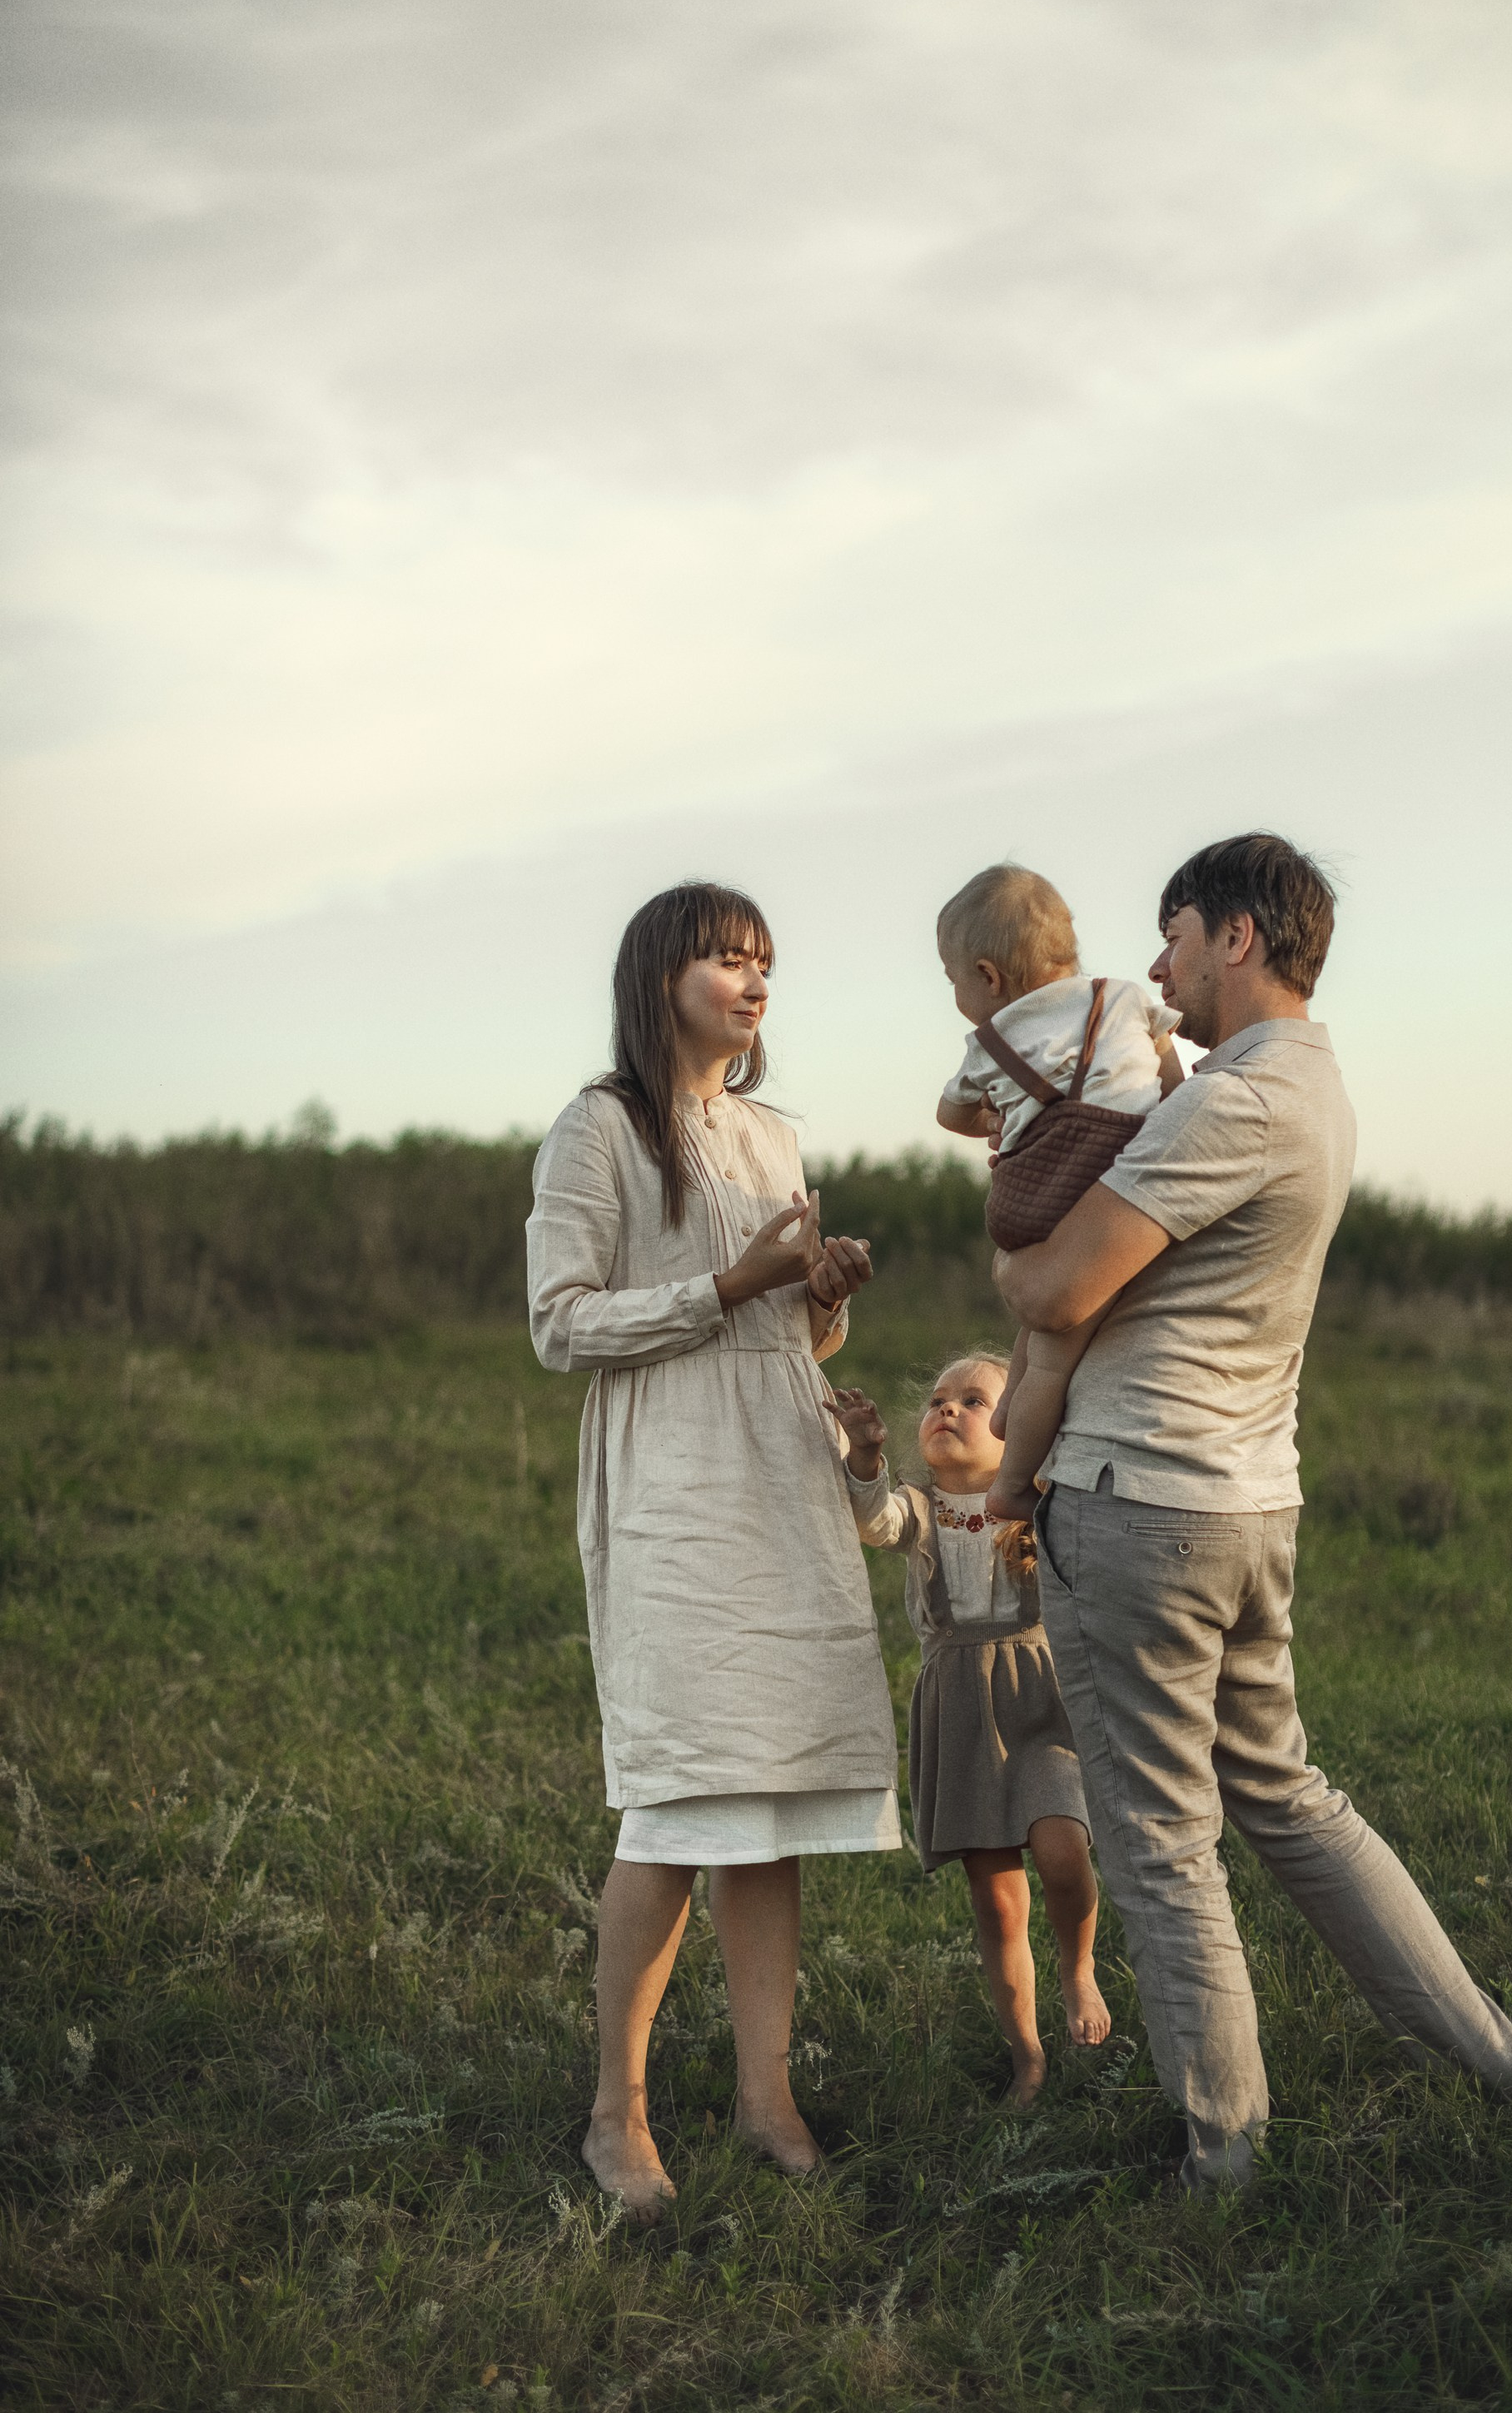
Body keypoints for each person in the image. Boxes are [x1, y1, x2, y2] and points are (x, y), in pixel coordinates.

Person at [995, 833, 1512, 2194]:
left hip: (1139, 1504)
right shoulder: (1308, 1087)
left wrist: (1023, 1223)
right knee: (1285, 1799)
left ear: (1238, 936)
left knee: (1163, 1840)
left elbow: (1057, 1290)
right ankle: (1500, 2068)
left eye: (1173, 934)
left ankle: (1224, 2157)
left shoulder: (1232, 1102)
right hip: (1246, 1500)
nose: (1158, 967)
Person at [526, 881, 899, 2221]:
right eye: (725, 960)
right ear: (658, 975)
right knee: (679, 1801)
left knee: (771, 1800)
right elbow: (562, 1325)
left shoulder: (771, 1135)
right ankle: (614, 2113)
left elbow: (787, 1336)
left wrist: (819, 1301)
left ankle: (764, 2095)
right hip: (673, 1485)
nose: (752, 984)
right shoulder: (601, 1127)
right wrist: (732, 1285)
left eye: (765, 965)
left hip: (780, 1468)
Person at [831, 1356, 1110, 2105]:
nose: (948, 1410)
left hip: (1040, 1702)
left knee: (1060, 1847)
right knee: (995, 1899)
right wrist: (864, 1456)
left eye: (974, 1400)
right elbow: (871, 1518)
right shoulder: (918, 1509)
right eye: (937, 1401)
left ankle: (1078, 1967)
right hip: (961, 1711)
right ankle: (1027, 2055)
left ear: (1017, 1429)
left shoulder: (1038, 1504)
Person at [934, 864, 1181, 1520]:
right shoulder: (1124, 997)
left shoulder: (992, 1040)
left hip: (1040, 1200)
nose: (957, 996)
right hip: (1114, 1190)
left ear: (988, 977)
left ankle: (1010, 1477)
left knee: (1042, 1339)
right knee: (1054, 1347)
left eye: (954, 982)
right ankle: (1017, 1444)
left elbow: (949, 1115)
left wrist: (997, 1118)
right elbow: (1171, 1081)